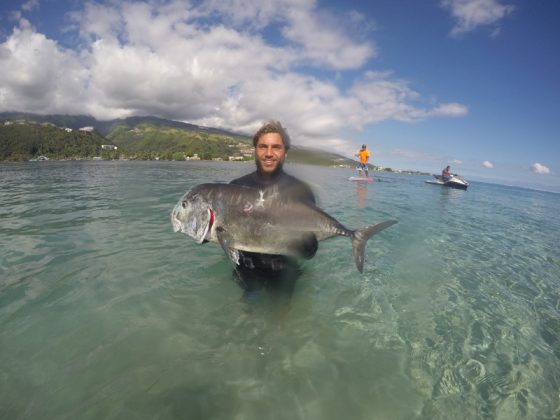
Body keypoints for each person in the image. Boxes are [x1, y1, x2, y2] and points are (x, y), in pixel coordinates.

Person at [229, 120, 317, 295]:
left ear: (285, 152)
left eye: (276, 147)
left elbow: (309, 253)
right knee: (247, 317)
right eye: (263, 146)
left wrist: (307, 240)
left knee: (281, 319)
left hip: (284, 273)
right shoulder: (235, 188)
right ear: (255, 150)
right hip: (247, 271)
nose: (269, 153)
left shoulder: (301, 191)